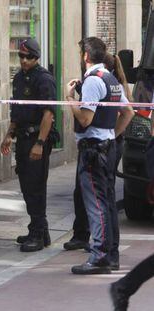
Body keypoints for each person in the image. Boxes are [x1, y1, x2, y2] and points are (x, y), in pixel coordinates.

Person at [67, 37, 134, 274]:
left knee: (95, 204)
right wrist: (112, 135)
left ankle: (99, 257)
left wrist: (69, 99)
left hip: (93, 149)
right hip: (107, 146)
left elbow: (85, 118)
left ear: (85, 56)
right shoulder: (111, 79)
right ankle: (111, 255)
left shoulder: (93, 81)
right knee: (106, 204)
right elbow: (129, 111)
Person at [0, 38, 58, 252]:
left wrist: (40, 143)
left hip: (37, 138)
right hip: (23, 138)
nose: (24, 60)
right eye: (21, 56)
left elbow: (48, 114)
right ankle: (40, 231)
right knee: (26, 185)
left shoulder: (44, 79)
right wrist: (9, 134)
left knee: (35, 186)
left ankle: (38, 233)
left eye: (29, 57)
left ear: (37, 57)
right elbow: (17, 110)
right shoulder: (19, 78)